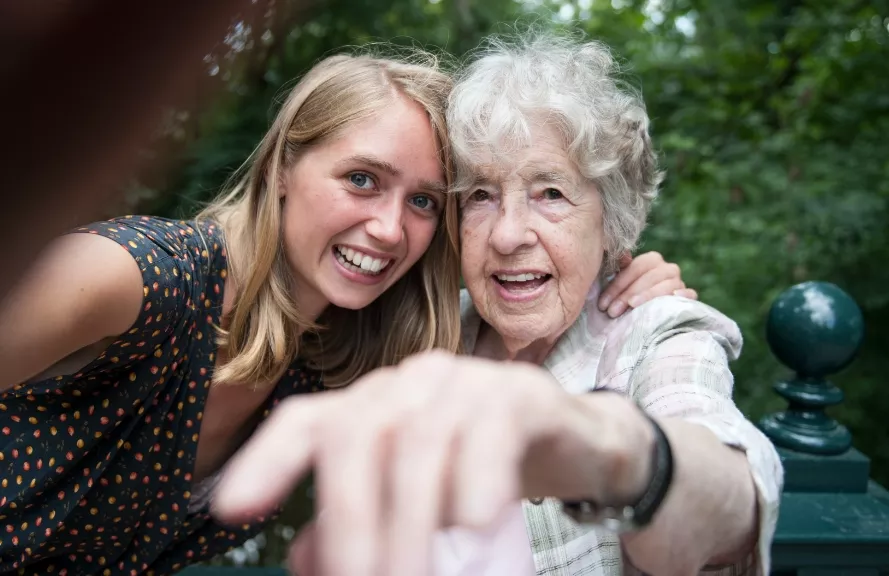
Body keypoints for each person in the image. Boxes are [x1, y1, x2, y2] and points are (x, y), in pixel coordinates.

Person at [0, 48, 689, 574]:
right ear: (279, 172)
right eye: (361, 180)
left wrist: (614, 273)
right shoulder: (138, 277)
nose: (389, 229)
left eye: (423, 200)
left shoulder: (338, 353)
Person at [212, 32, 783, 576]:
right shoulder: (423, 328)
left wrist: (614, 448)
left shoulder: (656, 335)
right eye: (481, 195)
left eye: (551, 193)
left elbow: (737, 498)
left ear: (615, 225)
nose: (508, 235)